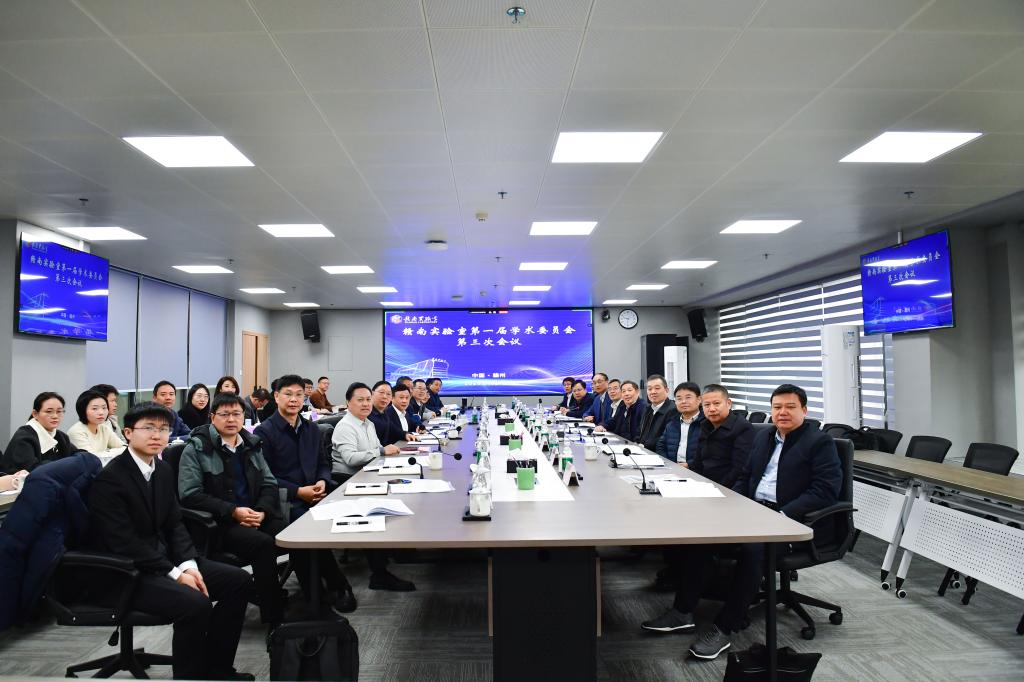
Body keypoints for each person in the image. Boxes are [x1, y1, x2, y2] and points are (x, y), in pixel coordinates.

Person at [641, 384, 842, 662]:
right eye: (777, 407)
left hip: (794, 522)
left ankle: (726, 627)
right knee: (702, 537)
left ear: (804, 410)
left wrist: (781, 515)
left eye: (790, 407)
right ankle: (682, 612)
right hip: (754, 511)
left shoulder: (819, 442)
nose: (782, 412)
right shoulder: (765, 436)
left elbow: (825, 491)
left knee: (753, 550)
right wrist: (733, 505)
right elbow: (746, 476)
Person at [86, 402, 254, 681]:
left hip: (163, 560)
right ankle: (190, 677)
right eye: (148, 428)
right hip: (127, 572)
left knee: (238, 581)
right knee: (195, 604)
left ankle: (217, 670)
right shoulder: (111, 479)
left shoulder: (162, 470)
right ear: (128, 433)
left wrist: (189, 565)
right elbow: (124, 542)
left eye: (163, 429)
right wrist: (176, 574)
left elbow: (174, 523)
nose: (157, 435)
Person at [178, 393, 288, 625]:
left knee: (293, 534)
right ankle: (274, 618)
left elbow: (270, 483)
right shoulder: (197, 448)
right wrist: (233, 511)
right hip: (220, 523)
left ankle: (314, 601)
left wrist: (262, 511)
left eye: (236, 414)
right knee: (263, 544)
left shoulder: (251, 443)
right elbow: (190, 495)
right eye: (224, 414)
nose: (231, 419)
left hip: (254, 515)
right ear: (212, 417)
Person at [255, 375, 357, 615]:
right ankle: (327, 589)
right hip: (284, 499)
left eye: (299, 395)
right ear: (276, 396)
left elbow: (323, 463)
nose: (294, 399)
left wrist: (322, 480)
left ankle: (325, 590)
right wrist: (298, 491)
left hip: (316, 494)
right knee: (305, 530)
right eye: (288, 394)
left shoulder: (311, 428)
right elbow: (265, 476)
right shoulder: (264, 432)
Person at [331, 382, 415, 591]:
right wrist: (382, 452)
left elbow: (376, 448)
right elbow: (351, 459)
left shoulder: (367, 423)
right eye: (360, 400)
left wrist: (385, 452)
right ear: (348, 403)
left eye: (368, 399)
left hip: (368, 475)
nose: (366, 404)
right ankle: (379, 574)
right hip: (348, 481)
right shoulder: (345, 426)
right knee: (377, 509)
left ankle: (398, 549)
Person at [691, 384, 754, 490]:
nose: (712, 409)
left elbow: (739, 470)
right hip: (704, 485)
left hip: (727, 489)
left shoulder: (742, 428)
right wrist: (696, 483)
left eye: (716, 403)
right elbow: (697, 462)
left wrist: (716, 488)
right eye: (707, 405)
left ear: (728, 404)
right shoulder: (705, 424)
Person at [2, 392, 75, 473]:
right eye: (49, 411)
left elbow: (78, 456)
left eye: (59, 411)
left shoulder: (61, 437)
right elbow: (33, 470)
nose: (55, 416)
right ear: (35, 414)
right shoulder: (24, 438)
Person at [656, 382, 704, 466]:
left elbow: (709, 452)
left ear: (699, 399)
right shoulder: (672, 423)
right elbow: (660, 446)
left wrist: (689, 465)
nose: (683, 401)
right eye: (679, 398)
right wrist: (668, 463)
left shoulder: (706, 423)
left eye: (688, 397)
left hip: (695, 470)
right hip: (671, 468)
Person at [67, 389, 124, 459]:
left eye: (104, 408)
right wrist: (112, 452)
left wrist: (108, 452)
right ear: (83, 410)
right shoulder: (76, 431)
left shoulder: (104, 428)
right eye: (94, 408)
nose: (101, 412)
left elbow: (125, 448)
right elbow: (91, 458)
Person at [636, 375, 674, 452]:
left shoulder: (673, 410)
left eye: (657, 388)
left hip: (658, 454)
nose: (653, 392)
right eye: (649, 389)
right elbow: (640, 432)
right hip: (641, 450)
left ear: (667, 390)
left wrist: (644, 446)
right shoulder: (647, 409)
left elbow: (667, 438)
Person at [367, 381, 411, 446]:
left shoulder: (384, 413)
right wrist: (384, 450)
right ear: (372, 393)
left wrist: (405, 435)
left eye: (388, 394)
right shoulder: (366, 413)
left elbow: (392, 428)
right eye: (381, 392)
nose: (385, 397)